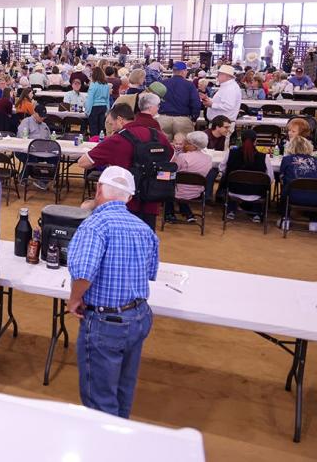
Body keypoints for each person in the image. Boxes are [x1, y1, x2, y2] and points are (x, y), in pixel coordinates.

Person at [67, 166, 156, 418]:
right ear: (129, 197)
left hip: (106, 322)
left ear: (98, 189)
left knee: (99, 398)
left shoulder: (95, 225)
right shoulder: (143, 228)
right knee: (124, 390)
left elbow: (84, 273)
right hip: (138, 315)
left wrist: (74, 299)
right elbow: (148, 271)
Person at [77, 104, 172, 230]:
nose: (111, 128)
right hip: (152, 198)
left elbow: (83, 162)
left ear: (120, 119)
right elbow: (172, 158)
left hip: (124, 202)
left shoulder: (117, 139)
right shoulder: (157, 135)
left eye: (112, 124)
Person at [279, 135, 317, 232]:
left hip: (295, 197)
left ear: (290, 147)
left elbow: (282, 177)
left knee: (286, 186)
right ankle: (314, 222)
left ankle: (285, 219)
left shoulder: (287, 159)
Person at [220, 129, 272, 223]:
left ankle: (231, 210)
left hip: (233, 191)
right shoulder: (264, 157)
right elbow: (270, 178)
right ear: (255, 141)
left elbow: (222, 169)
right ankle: (256, 213)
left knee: (228, 180)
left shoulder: (230, 153)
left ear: (241, 140)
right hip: (256, 194)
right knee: (263, 186)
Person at [164, 131, 210, 224]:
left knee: (164, 180)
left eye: (187, 142)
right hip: (197, 192)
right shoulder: (208, 158)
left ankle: (169, 213)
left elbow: (172, 172)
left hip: (178, 190)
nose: (184, 144)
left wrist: (159, 175)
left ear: (193, 145)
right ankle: (187, 213)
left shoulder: (183, 157)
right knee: (181, 184)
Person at [159, 62, 202, 140]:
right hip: (182, 120)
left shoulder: (163, 83)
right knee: (184, 147)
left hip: (164, 119)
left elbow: (156, 99)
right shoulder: (189, 85)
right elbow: (196, 104)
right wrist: (194, 118)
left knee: (164, 146)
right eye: (186, 71)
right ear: (183, 71)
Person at [85, 67, 111, 136]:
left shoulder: (93, 85)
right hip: (103, 107)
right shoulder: (106, 85)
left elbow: (90, 99)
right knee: (101, 128)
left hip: (94, 108)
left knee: (93, 128)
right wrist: (107, 110)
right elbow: (107, 99)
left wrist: (87, 111)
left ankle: (94, 142)